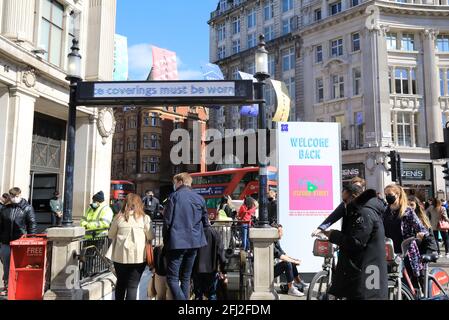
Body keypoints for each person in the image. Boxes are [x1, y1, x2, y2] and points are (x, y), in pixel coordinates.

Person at [323, 186, 388, 300]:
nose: (344, 204)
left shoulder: (364, 213)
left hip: (366, 274)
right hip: (366, 272)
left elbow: (356, 242)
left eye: (345, 200)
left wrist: (334, 235)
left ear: (353, 197)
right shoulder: (365, 211)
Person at [162, 173, 208, 300]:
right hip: (194, 243)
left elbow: (167, 223)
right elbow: (205, 223)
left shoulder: (174, 197)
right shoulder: (200, 198)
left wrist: (166, 241)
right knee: (186, 277)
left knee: (172, 278)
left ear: (180, 181)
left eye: (175, 182)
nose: (174, 184)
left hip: (177, 243)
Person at [107, 193, 154, 300]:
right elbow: (151, 236)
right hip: (138, 257)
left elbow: (110, 234)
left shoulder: (118, 217)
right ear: (139, 204)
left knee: (121, 283)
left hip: (120, 257)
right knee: (132, 286)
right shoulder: (144, 218)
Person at [383, 184, 428, 291]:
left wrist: (421, 234)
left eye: (390, 194)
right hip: (391, 252)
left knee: (412, 280)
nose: (387, 197)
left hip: (407, 251)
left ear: (398, 195)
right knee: (393, 280)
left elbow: (421, 228)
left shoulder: (407, 211)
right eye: (385, 195)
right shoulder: (385, 211)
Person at [0, 187, 37, 296]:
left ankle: (20, 285)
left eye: (16, 196)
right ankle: (7, 285)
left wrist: (31, 239)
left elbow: (32, 224)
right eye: (12, 196)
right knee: (6, 264)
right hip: (6, 241)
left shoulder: (27, 208)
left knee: (20, 265)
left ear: (20, 195)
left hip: (20, 242)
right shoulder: (5, 208)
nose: (14, 198)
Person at [192, 224, 228, 300]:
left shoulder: (195, 232)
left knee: (198, 295)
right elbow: (221, 253)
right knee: (212, 294)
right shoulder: (215, 233)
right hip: (211, 268)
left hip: (197, 268)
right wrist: (223, 270)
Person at [272, 224, 308, 297]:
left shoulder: (276, 241)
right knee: (287, 263)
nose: (282, 233)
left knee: (291, 262)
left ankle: (298, 282)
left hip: (272, 268)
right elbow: (281, 256)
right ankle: (291, 289)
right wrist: (293, 261)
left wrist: (294, 260)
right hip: (267, 272)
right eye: (280, 231)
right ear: (275, 233)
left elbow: (283, 254)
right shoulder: (270, 243)